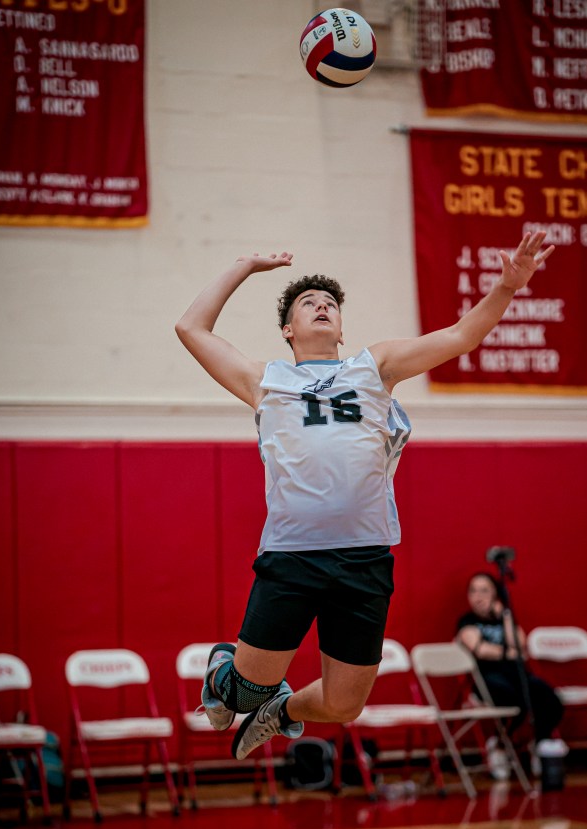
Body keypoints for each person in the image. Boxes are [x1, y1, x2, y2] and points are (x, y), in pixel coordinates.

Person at [175, 231, 555, 761]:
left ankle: (281, 712)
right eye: (308, 303)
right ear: (288, 329)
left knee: (343, 704)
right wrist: (245, 265)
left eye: (330, 303)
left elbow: (461, 336)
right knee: (242, 693)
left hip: (363, 558)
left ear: (341, 327)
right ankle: (227, 670)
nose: (322, 306)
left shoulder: (373, 367)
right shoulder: (265, 380)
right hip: (292, 555)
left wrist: (507, 287)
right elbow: (190, 328)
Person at [456, 572, 564, 775]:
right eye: (473, 591)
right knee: (514, 699)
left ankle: (539, 742)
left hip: (515, 675)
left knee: (550, 699)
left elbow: (520, 643)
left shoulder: (504, 619)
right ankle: (498, 744)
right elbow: (480, 650)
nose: (478, 596)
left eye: (484, 591)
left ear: (495, 595)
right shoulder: (467, 621)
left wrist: (505, 616)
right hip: (487, 679)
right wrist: (509, 653)